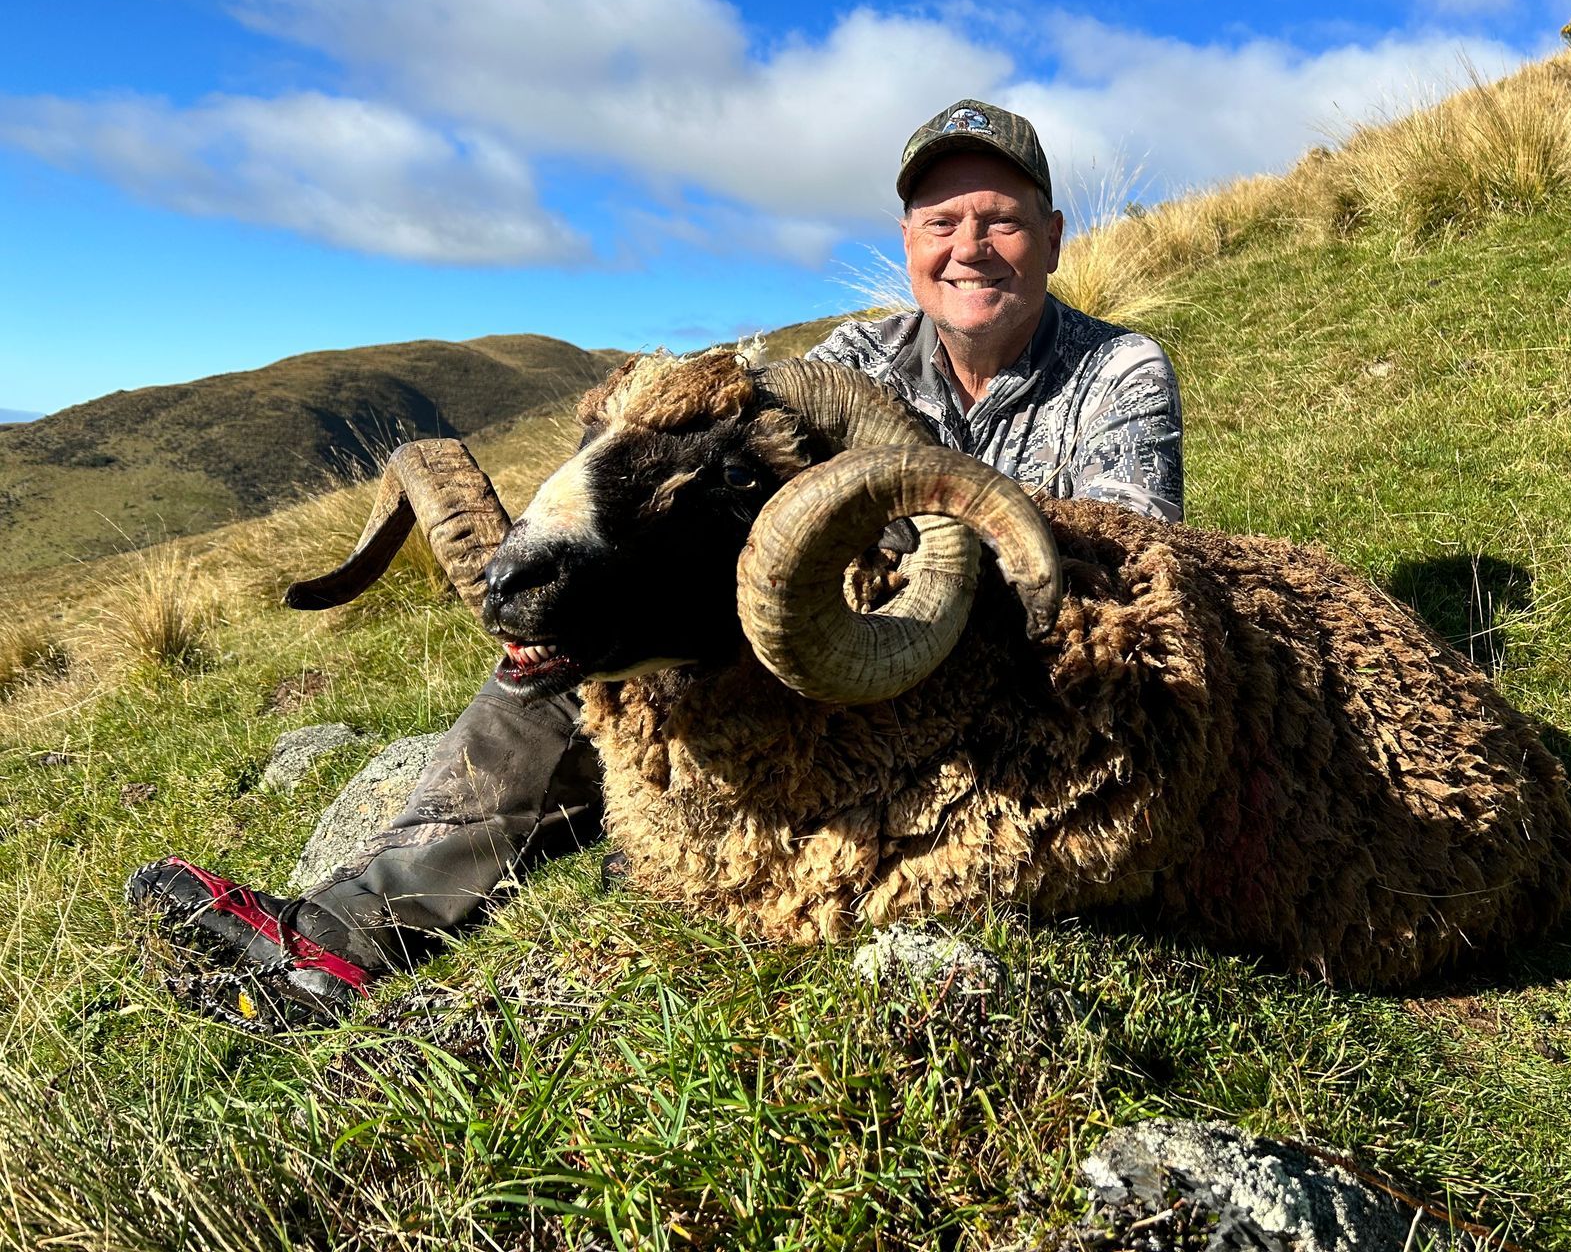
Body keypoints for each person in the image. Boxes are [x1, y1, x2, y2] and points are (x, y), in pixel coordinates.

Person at [126, 98, 1184, 1027]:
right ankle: (338, 942)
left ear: (1049, 235)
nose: (971, 247)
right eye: (941, 221)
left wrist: (934, 547)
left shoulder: (1118, 370)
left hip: (996, 661)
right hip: (827, 634)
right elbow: (735, 465)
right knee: (571, 662)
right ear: (909, 240)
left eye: (999, 219)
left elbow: (1118, 569)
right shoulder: (851, 360)